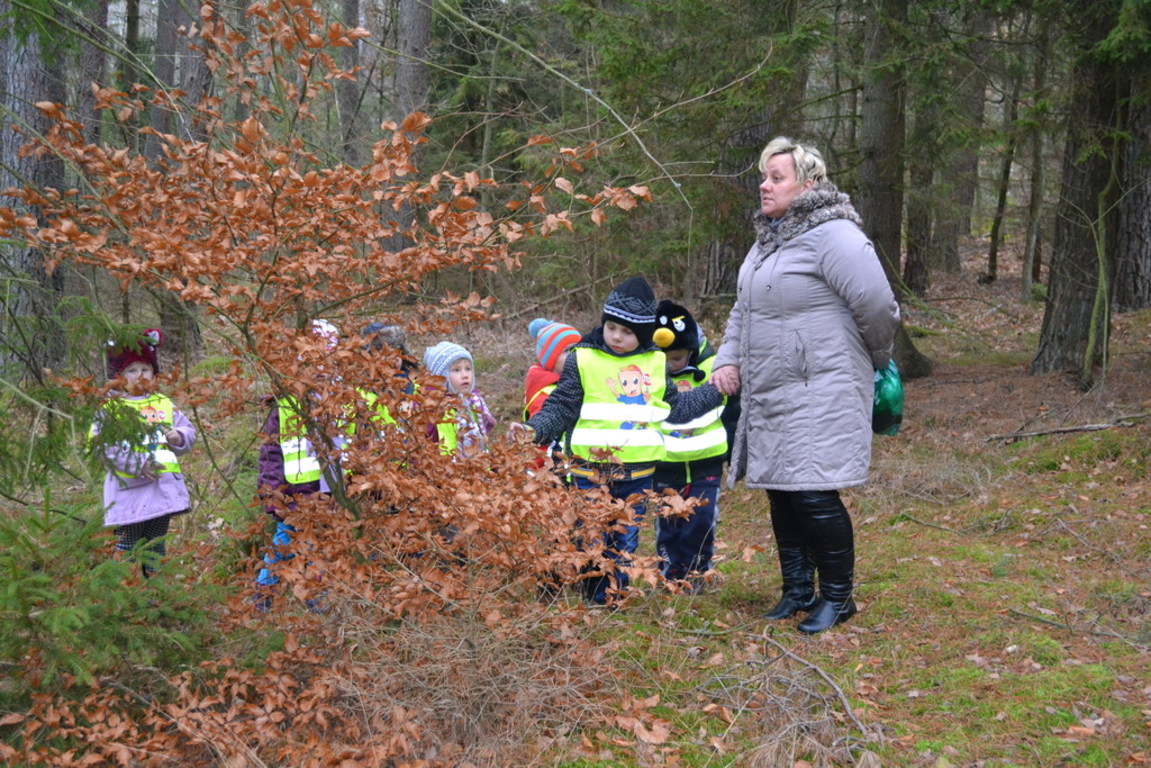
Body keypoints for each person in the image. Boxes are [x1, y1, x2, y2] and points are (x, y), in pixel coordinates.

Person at [710, 136, 901, 634]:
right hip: (772, 390)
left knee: (814, 493)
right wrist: (727, 359)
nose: (764, 185)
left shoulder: (834, 235)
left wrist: (876, 359)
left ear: (809, 185)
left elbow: (878, 305)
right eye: (764, 176)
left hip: (823, 387)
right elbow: (743, 309)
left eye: (777, 178)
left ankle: (838, 597)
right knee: (783, 492)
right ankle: (797, 590)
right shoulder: (767, 241)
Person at [511, 276, 725, 606]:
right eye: (611, 327)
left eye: (626, 332)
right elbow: (561, 406)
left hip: (637, 474)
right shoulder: (583, 358)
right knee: (591, 536)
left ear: (643, 334)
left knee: (624, 540)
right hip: (589, 471)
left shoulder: (655, 362)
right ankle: (592, 594)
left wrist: (716, 389)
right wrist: (533, 430)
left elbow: (677, 408)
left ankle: (613, 598)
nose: (616, 337)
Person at [90, 329, 196, 576]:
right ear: (119, 376)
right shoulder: (110, 408)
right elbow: (103, 446)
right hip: (129, 491)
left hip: (163, 488)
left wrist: (179, 436)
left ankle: (155, 588)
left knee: (156, 544)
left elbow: (187, 430)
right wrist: (137, 464)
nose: (140, 375)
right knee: (127, 546)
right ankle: (124, 589)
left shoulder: (163, 403)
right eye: (132, 370)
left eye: (145, 369)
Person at [651, 300, 739, 592]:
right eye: (663, 359)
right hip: (665, 465)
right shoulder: (649, 375)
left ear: (690, 350)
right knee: (668, 524)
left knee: (700, 522)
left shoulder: (714, 369)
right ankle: (670, 574)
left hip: (706, 464)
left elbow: (732, 410)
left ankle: (698, 573)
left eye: (676, 358)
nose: (670, 365)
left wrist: (732, 451)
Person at [254, 319, 340, 599]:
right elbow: (271, 455)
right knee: (283, 542)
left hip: (330, 493)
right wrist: (273, 496)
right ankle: (263, 593)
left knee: (322, 546)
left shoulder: (342, 402)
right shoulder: (285, 407)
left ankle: (317, 596)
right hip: (295, 494)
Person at [422, 341, 495, 459]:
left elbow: (483, 435)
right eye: (456, 370)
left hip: (476, 464)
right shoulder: (433, 407)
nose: (465, 375)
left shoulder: (474, 402)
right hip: (445, 466)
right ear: (441, 376)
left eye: (468, 369)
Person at [524, 318, 581, 420]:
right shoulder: (545, 397)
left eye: (578, 348)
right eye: (567, 350)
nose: (575, 354)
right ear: (551, 359)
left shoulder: (581, 380)